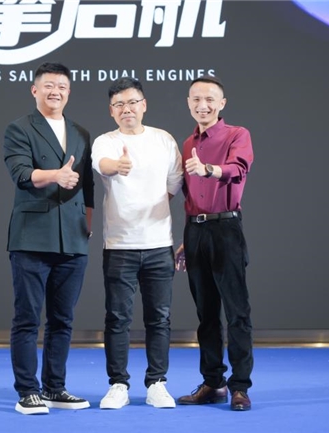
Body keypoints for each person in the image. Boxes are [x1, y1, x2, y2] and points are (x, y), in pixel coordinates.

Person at [3, 62, 94, 415]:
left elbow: (87, 187)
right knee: (27, 319)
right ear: (35, 90)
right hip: (32, 237)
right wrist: (55, 175)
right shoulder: (19, 128)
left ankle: (55, 388)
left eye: (62, 87)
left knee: (62, 320)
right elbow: (21, 173)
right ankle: (28, 391)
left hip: (73, 239)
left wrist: (87, 225)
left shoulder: (81, 132)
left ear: (69, 92)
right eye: (49, 86)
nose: (56, 91)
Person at [91, 77, 183, 410]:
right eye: (119, 104)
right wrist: (117, 166)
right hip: (119, 246)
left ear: (144, 105)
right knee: (117, 318)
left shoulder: (164, 140)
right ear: (111, 111)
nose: (126, 109)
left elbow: (174, 183)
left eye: (132, 102)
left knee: (159, 318)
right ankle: (118, 384)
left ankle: (157, 383)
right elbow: (102, 165)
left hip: (159, 244)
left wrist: (151, 207)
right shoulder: (105, 141)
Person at [175, 75, 255, 411]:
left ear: (222, 103)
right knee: (205, 314)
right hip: (196, 232)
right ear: (188, 103)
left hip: (226, 229)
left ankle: (240, 387)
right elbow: (189, 196)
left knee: (237, 313)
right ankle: (213, 382)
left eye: (209, 99)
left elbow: (238, 168)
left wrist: (208, 169)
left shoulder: (237, 134)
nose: (202, 105)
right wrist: (186, 238)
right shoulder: (186, 143)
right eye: (195, 99)